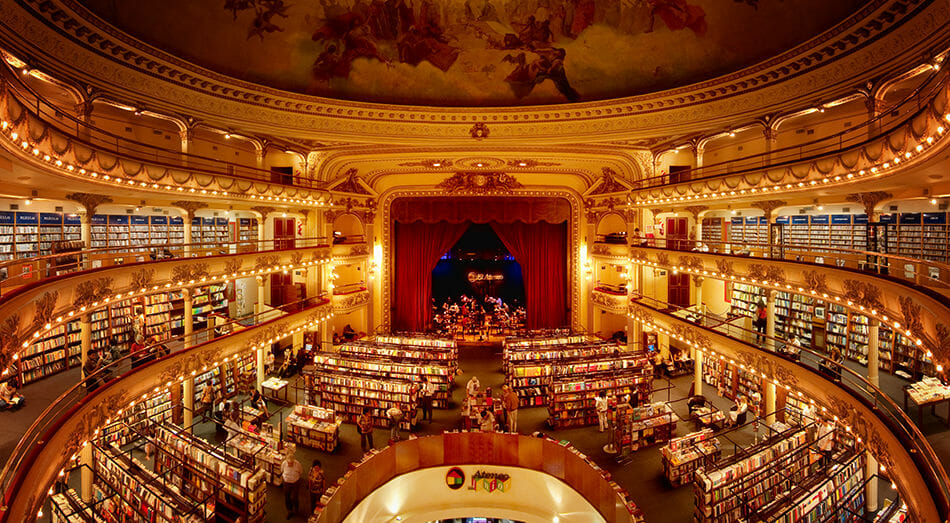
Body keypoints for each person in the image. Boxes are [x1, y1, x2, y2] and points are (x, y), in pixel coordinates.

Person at [281, 450, 303, 518]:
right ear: (286, 461)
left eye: (291, 463)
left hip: (295, 483)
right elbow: (282, 470)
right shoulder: (284, 463)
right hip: (286, 483)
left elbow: (300, 472)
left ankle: (296, 509)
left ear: (294, 460)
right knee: (287, 497)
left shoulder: (297, 464)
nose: (290, 464)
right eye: (289, 463)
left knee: (295, 497)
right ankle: (289, 510)